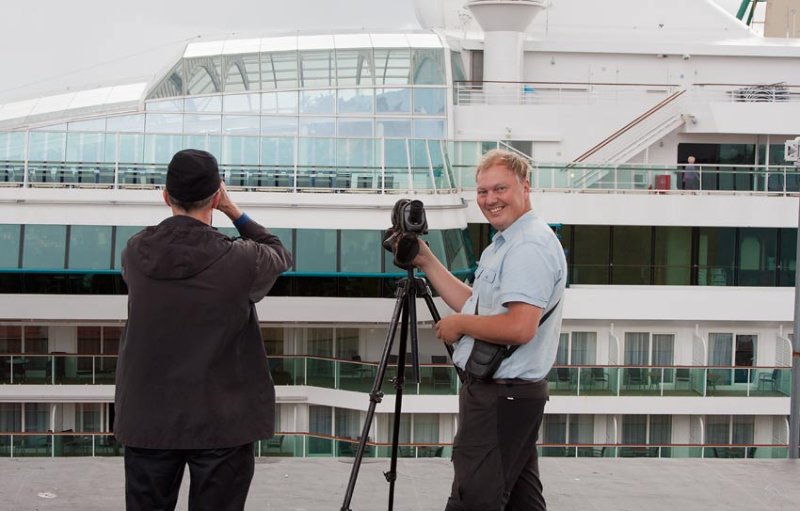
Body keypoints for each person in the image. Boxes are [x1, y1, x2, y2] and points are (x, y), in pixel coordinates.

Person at [114, 149, 293, 511]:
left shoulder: (135, 252)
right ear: (215, 196)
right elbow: (279, 252)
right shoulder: (242, 259)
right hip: (222, 420)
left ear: (166, 196)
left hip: (149, 417)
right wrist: (234, 211)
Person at [412, 149, 567, 511]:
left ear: (525, 187)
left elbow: (519, 326)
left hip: (502, 398)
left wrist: (459, 325)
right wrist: (425, 258)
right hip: (510, 397)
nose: (490, 199)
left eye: (500, 189)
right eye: (482, 192)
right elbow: (476, 304)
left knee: (473, 502)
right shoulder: (509, 242)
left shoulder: (528, 246)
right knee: (520, 502)